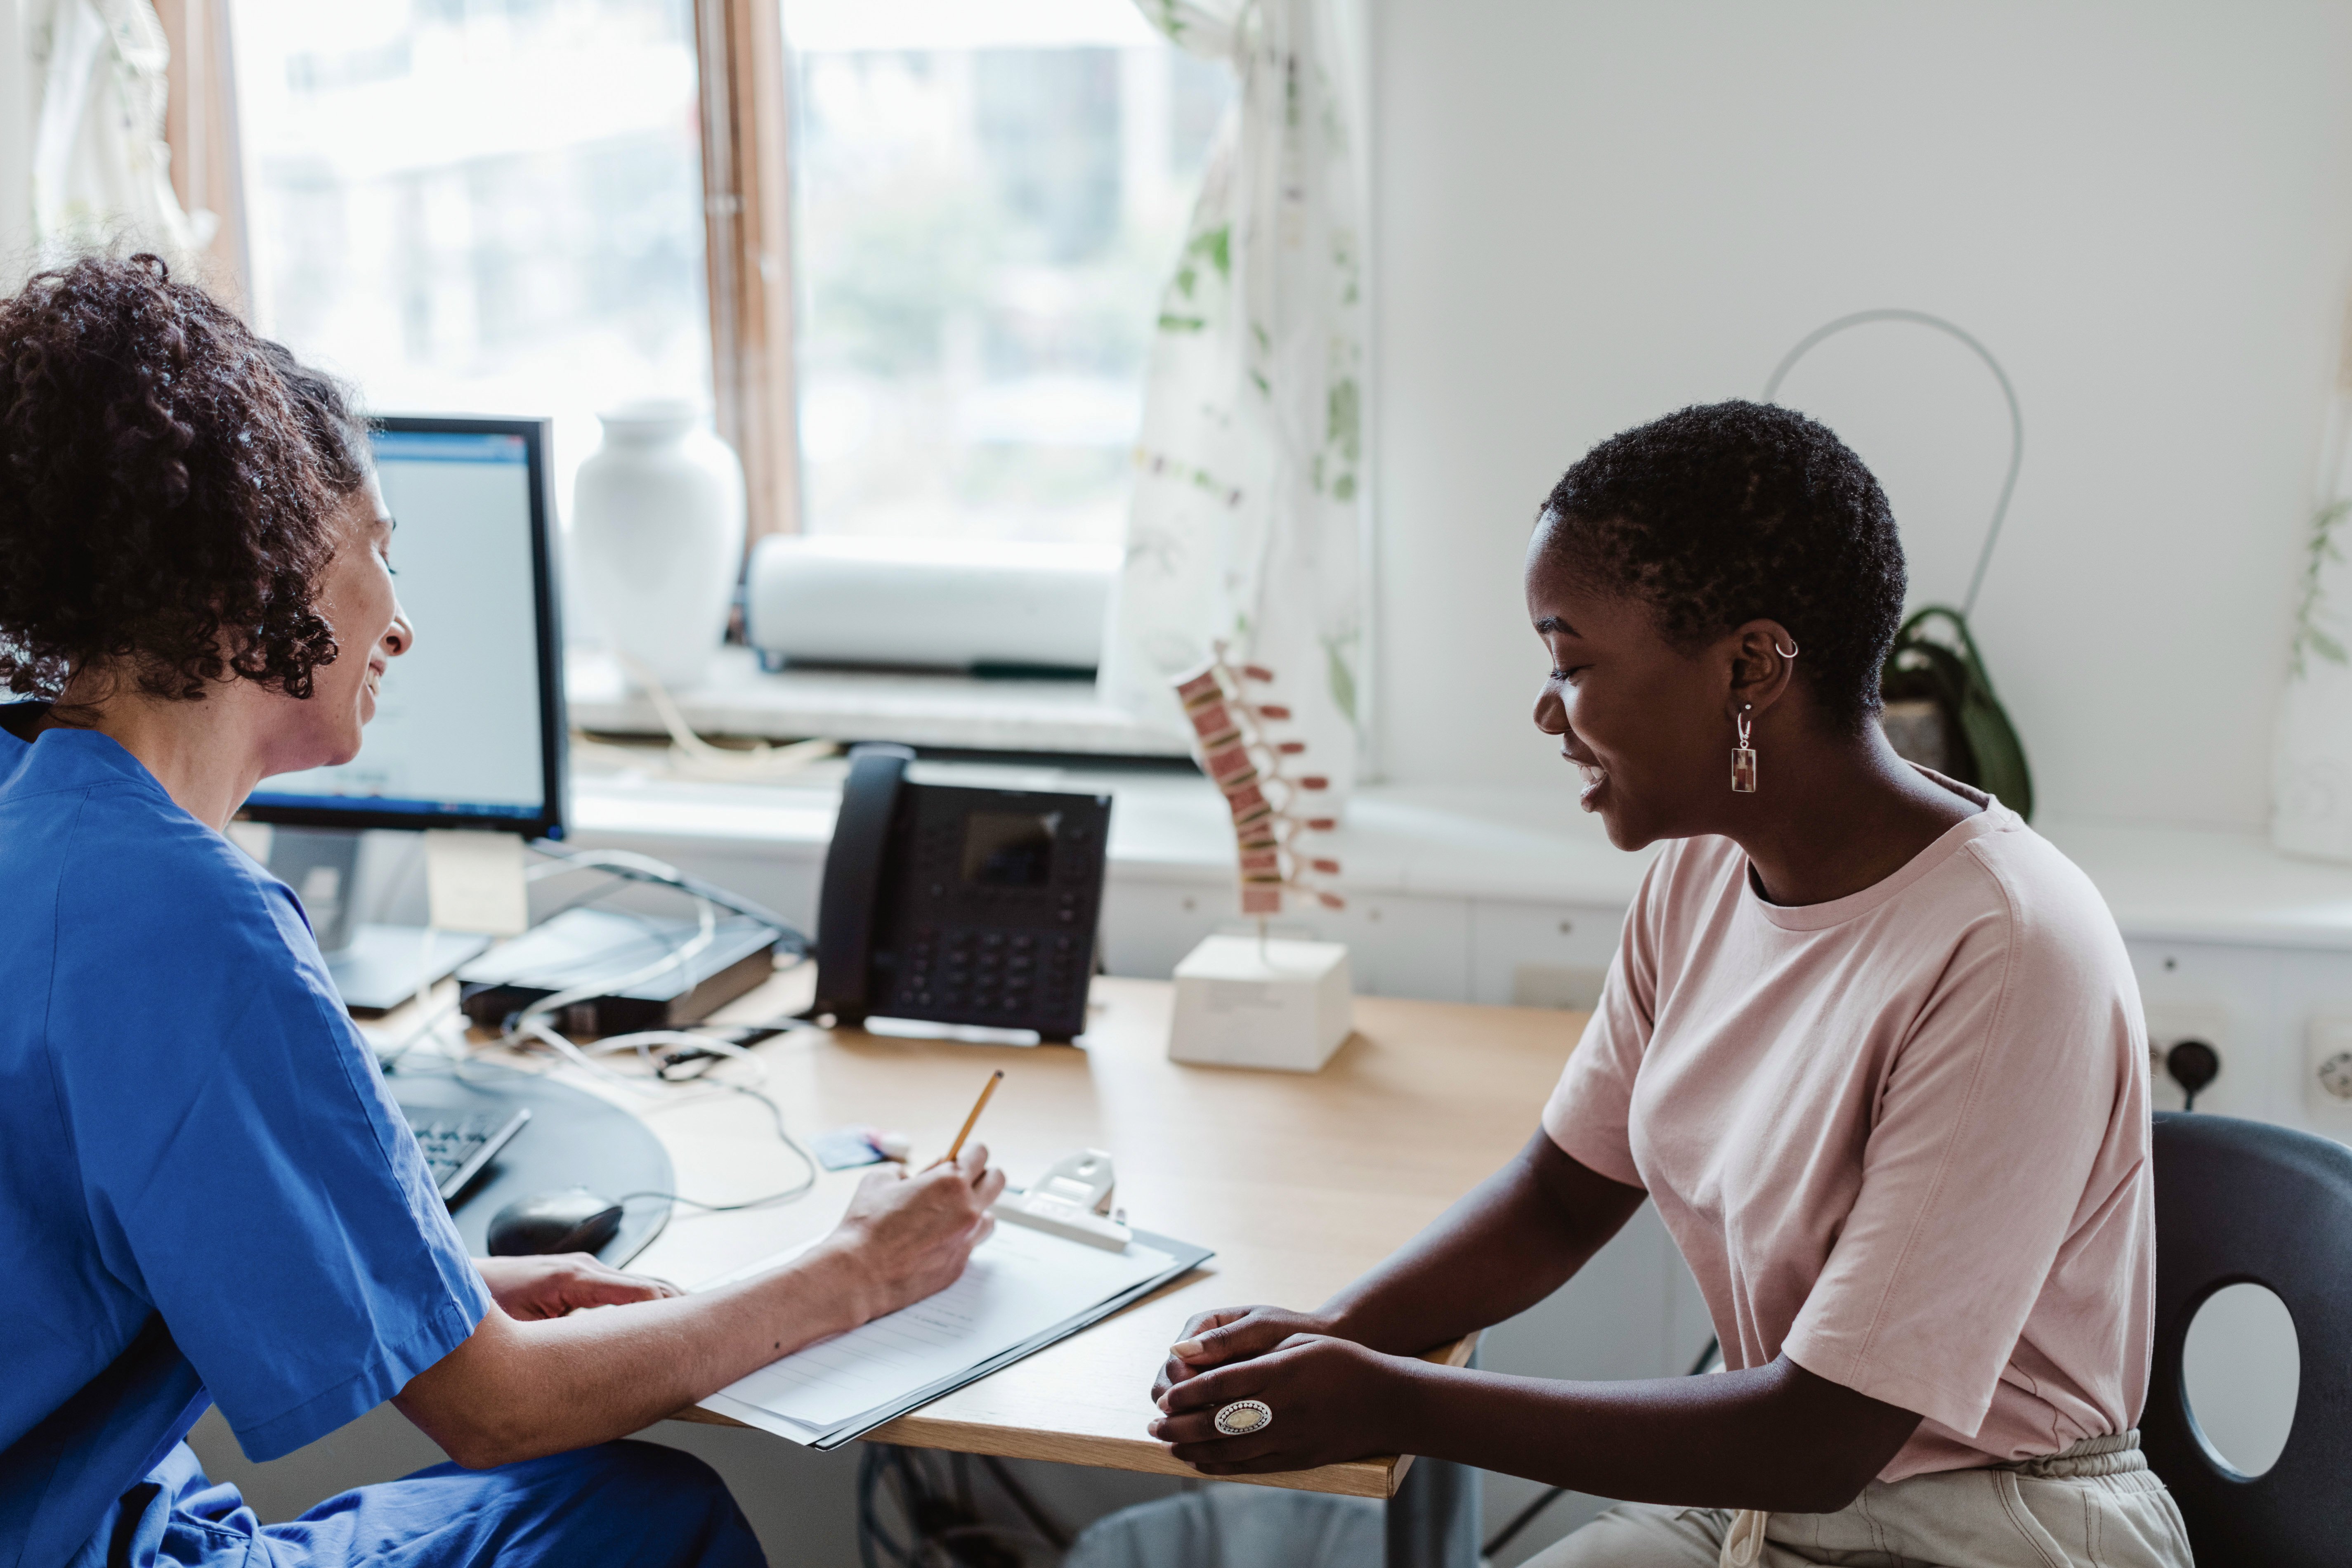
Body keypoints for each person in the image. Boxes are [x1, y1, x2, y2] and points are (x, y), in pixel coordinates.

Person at [0, 253, 1007, 1568]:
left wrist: (440, 1291)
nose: (400, 624)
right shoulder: (193, 924)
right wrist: (854, 1271)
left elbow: (90, 1251)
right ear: (260, 570)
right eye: (376, 551)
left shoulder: (36, 805)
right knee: (646, 1511)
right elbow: (494, 1414)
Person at [1143, 402, 2194, 1567]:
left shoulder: (2006, 948)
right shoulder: (1702, 871)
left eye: (1573, 662)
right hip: (1781, 1504)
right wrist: (1335, 1333)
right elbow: (1559, 1199)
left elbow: (1820, 1434)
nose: (1548, 712)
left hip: (1987, 1525)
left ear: (1751, 666)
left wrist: (1393, 1400)